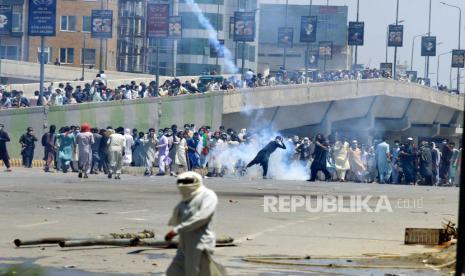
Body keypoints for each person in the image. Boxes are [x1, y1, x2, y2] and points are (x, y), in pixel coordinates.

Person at [165, 171, 226, 276]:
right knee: (173, 271)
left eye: (187, 182)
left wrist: (176, 230)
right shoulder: (186, 199)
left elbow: (201, 217)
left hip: (200, 243)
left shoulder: (208, 195)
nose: (183, 185)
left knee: (194, 272)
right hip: (184, 243)